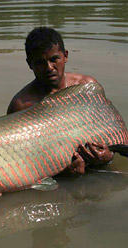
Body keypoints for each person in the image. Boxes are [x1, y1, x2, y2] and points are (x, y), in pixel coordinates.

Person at [7, 27, 113, 174]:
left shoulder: (87, 88)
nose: (49, 67)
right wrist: (62, 172)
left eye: (54, 59)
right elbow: (19, 159)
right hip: (57, 173)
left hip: (96, 166)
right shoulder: (21, 105)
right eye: (40, 62)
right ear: (29, 64)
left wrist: (108, 156)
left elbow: (108, 133)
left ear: (65, 56)